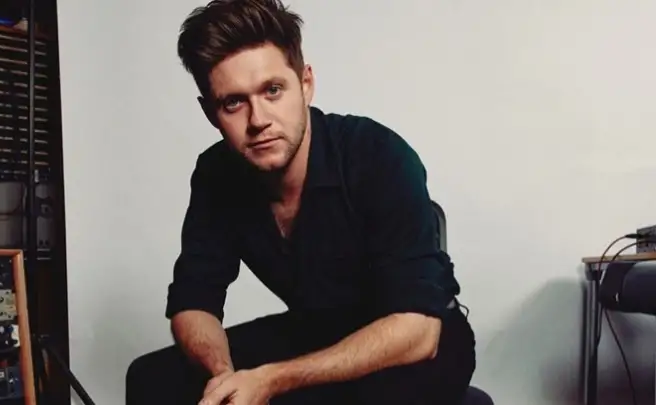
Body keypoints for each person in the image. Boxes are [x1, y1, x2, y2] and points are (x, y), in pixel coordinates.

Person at [126, 0, 476, 404]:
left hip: (415, 340)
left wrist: (272, 380)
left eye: (273, 90)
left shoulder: (378, 155)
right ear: (210, 113)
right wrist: (224, 377)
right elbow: (193, 303)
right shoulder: (216, 173)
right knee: (151, 377)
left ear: (305, 84)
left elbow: (419, 331)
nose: (258, 120)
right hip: (317, 329)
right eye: (233, 102)